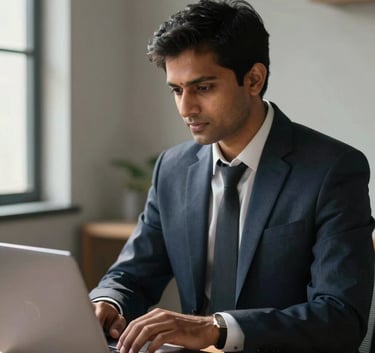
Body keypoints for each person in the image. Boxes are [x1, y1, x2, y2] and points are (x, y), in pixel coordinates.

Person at [90, 1, 375, 352]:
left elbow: (341, 316)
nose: (185, 108)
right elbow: (132, 273)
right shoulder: (172, 169)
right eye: (177, 90)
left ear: (254, 79)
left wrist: (216, 328)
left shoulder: (332, 170)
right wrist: (109, 302)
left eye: (203, 87)